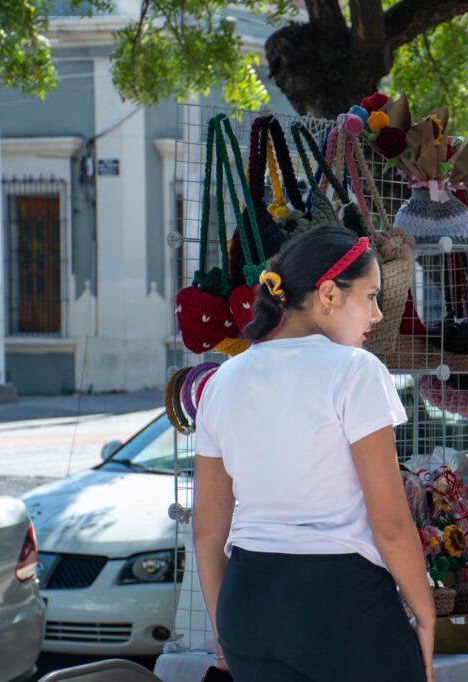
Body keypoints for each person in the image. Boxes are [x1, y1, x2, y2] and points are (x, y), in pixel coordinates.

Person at [193, 226, 435, 681]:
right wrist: (426, 614)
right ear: (328, 293)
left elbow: (207, 532)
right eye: (370, 296)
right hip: (340, 604)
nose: (378, 314)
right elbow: (391, 524)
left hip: (247, 602)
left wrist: (224, 633)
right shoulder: (355, 370)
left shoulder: (221, 381)